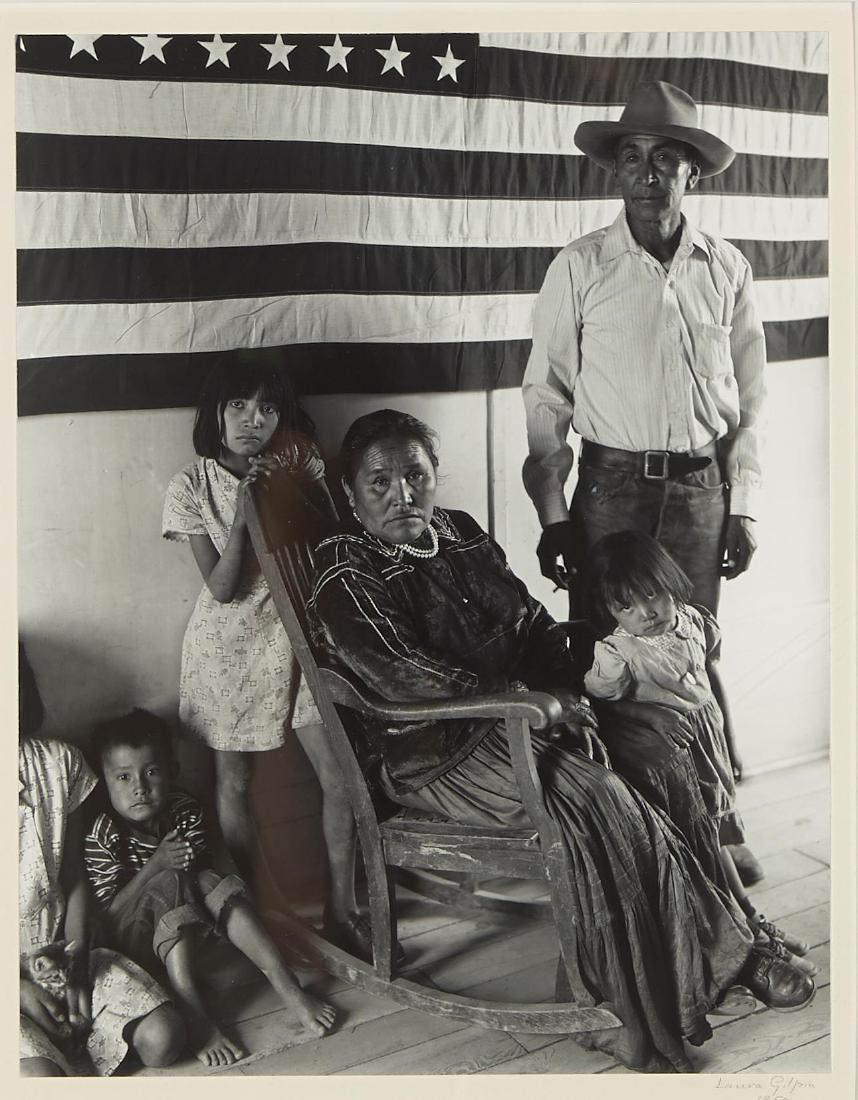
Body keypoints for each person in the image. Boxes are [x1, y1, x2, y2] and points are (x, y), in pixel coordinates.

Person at [306, 409, 814, 1075]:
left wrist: (576, 681)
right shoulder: (345, 568)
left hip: (530, 716)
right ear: (350, 493)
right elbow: (402, 679)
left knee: (660, 744)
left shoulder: (458, 533)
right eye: (379, 483)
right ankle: (714, 962)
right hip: (437, 752)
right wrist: (527, 703)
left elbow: (529, 621)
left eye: (415, 475)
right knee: (600, 795)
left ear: (434, 477)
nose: (402, 494)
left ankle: (731, 924)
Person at [521, 81, 766, 882]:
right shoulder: (582, 266)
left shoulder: (725, 268)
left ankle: (717, 822)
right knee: (607, 650)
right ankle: (626, 835)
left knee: (689, 649)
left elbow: (749, 404)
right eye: (633, 157)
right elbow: (546, 393)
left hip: (701, 491)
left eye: (667, 158)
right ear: (616, 170)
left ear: (693, 172)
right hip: (611, 487)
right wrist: (556, 516)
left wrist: (744, 506)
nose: (648, 172)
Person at [162, 357, 369, 958]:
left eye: (268, 408)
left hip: (301, 641)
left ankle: (342, 908)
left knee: (337, 773)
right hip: (227, 648)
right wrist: (246, 512)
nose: (254, 421)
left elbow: (336, 546)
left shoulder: (295, 464)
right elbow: (222, 588)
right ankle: (261, 908)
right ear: (215, 415)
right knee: (234, 779)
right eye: (239, 407)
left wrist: (299, 484)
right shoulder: (191, 485)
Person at [582, 532, 816, 977]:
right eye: (625, 606)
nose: (646, 613)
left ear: (670, 582)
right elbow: (598, 698)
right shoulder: (619, 652)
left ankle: (747, 920)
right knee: (704, 830)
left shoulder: (693, 621)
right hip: (671, 755)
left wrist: (727, 743)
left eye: (652, 595)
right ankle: (747, 921)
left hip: (707, 741)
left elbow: (704, 675)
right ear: (610, 610)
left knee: (717, 823)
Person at [83, 709, 336, 1067]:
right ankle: (195, 1012)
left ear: (172, 771)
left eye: (151, 772)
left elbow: (203, 880)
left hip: (189, 932)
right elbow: (109, 919)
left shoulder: (183, 809)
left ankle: (287, 985)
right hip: (133, 944)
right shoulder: (103, 833)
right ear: (104, 781)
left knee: (207, 878)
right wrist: (156, 865)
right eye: (123, 777)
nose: (139, 787)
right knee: (171, 878)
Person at [19, 644, 185, 1077]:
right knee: (42, 1079)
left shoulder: (59, 763)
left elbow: (74, 877)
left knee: (164, 1039)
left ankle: (74, 1036)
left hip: (65, 950)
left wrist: (72, 964)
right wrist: (18, 991)